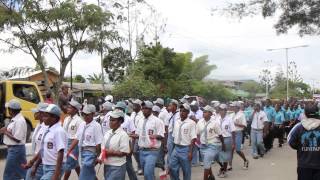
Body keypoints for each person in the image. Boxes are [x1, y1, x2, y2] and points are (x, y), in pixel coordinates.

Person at [68, 104, 103, 180]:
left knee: (84, 173)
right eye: (83, 114)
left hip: (91, 152)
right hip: (81, 151)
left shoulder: (96, 126)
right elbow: (77, 138)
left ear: (93, 114)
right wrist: (69, 150)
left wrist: (99, 156)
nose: (85, 116)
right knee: (89, 173)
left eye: (87, 115)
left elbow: (98, 143)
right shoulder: (82, 124)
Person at [288, 103, 320, 180]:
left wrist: (300, 147)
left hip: (303, 164)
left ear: (305, 113)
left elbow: (290, 141)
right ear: (318, 113)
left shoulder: (298, 126)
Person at [134, 101, 165, 180]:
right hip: (142, 151)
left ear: (151, 109)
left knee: (148, 173)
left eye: (146, 108)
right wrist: (133, 136)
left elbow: (162, 136)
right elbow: (138, 134)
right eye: (143, 108)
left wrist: (156, 136)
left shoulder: (157, 121)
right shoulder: (140, 120)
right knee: (146, 174)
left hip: (152, 151)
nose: (144, 110)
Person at [98, 110, 130, 180]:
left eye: (113, 120)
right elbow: (103, 149)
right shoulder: (107, 133)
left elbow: (124, 152)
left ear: (120, 121)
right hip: (107, 165)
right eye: (110, 120)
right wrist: (100, 158)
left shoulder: (123, 135)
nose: (111, 122)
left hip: (117, 166)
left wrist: (112, 152)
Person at [0, 99, 27, 180]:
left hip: (16, 150)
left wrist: (5, 132)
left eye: (8, 109)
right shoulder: (15, 119)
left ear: (11, 110)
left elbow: (18, 139)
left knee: (8, 174)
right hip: (14, 149)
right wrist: (5, 129)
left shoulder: (20, 121)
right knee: (19, 173)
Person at [39, 104, 67, 180]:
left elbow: (60, 152)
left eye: (46, 116)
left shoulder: (58, 131)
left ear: (54, 118)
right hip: (47, 165)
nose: (43, 118)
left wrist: (56, 174)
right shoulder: (48, 129)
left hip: (54, 166)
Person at [197, 105, 225, 180]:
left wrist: (223, 144)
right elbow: (197, 134)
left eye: (205, 112)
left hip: (212, 145)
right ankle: (211, 176)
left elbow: (220, 135)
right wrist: (198, 143)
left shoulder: (215, 123)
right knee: (207, 163)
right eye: (203, 111)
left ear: (210, 113)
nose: (203, 113)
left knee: (206, 164)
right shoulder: (200, 122)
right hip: (203, 146)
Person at [169, 103, 197, 180]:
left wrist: (190, 152)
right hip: (176, 148)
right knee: (172, 167)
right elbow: (174, 137)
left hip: (185, 149)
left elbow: (193, 138)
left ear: (188, 112)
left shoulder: (191, 123)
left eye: (184, 111)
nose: (181, 113)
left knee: (186, 170)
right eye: (180, 111)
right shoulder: (177, 122)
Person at [23, 103, 49, 180]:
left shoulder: (46, 128)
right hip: (35, 159)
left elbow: (43, 148)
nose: (34, 114)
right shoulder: (38, 125)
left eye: (36, 112)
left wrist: (34, 163)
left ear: (42, 114)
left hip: (40, 161)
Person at [114, 101, 138, 180]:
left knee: (128, 165)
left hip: (126, 145)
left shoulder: (128, 119)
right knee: (117, 166)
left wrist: (132, 148)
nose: (116, 110)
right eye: (116, 108)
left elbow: (133, 132)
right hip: (115, 145)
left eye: (118, 109)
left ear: (122, 109)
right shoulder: (114, 118)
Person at [63, 100, 83, 180]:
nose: (67, 108)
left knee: (68, 165)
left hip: (74, 145)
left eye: (70, 107)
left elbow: (78, 137)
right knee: (75, 165)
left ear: (75, 110)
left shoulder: (79, 121)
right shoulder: (66, 119)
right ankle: (82, 178)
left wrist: (70, 149)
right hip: (66, 142)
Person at [216, 104, 236, 178]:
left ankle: (224, 171)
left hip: (227, 139)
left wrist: (233, 142)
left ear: (225, 111)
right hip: (218, 139)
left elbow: (233, 131)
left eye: (223, 110)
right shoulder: (217, 118)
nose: (221, 111)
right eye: (220, 109)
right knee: (216, 156)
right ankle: (222, 168)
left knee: (225, 156)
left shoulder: (229, 119)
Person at [230, 102, 249, 170]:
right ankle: (230, 165)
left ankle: (245, 160)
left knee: (237, 150)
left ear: (237, 107)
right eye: (232, 106)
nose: (232, 107)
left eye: (234, 106)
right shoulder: (231, 114)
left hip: (238, 133)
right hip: (231, 133)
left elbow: (244, 125)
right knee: (231, 150)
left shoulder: (241, 114)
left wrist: (236, 124)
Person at [165, 99, 180, 168]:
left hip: (177, 134)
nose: (169, 106)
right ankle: (169, 166)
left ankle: (176, 165)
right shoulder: (168, 115)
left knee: (177, 151)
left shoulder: (180, 114)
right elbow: (166, 126)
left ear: (175, 106)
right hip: (170, 135)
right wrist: (167, 136)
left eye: (171, 105)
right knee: (170, 151)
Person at [130, 99, 143, 175]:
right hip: (132, 135)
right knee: (134, 152)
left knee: (135, 151)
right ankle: (139, 166)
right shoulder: (133, 114)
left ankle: (141, 167)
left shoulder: (141, 115)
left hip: (139, 135)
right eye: (133, 104)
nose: (133, 106)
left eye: (135, 105)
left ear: (139, 106)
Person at [152, 105, 166, 170]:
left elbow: (163, 135)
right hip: (151, 144)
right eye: (153, 112)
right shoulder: (149, 121)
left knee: (160, 160)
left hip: (158, 143)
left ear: (158, 113)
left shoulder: (160, 122)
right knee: (152, 161)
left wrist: (164, 145)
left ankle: (163, 172)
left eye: (155, 112)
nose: (153, 114)